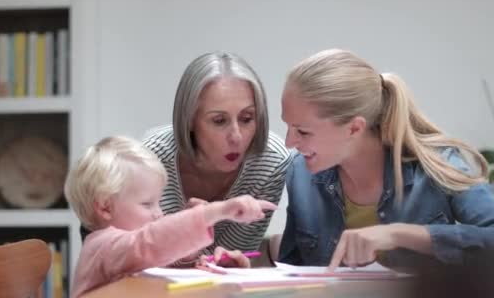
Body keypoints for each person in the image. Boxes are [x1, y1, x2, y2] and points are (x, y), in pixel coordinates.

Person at [275, 48, 494, 271]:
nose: (289, 143)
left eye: (302, 131)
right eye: (288, 126)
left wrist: (399, 234)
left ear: (354, 128)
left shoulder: (438, 163)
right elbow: (291, 272)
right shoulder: (300, 174)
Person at [65, 136, 277, 296]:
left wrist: (212, 267)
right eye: (147, 204)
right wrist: (216, 212)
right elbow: (149, 243)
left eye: (158, 202)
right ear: (105, 207)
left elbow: (157, 263)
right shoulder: (102, 247)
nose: (159, 213)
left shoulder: (130, 254)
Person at [142, 51, 292, 264]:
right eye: (219, 120)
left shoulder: (271, 161)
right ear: (190, 119)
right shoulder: (150, 159)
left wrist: (230, 262)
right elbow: (136, 258)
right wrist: (183, 235)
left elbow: (232, 257)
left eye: (247, 118)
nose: (236, 136)